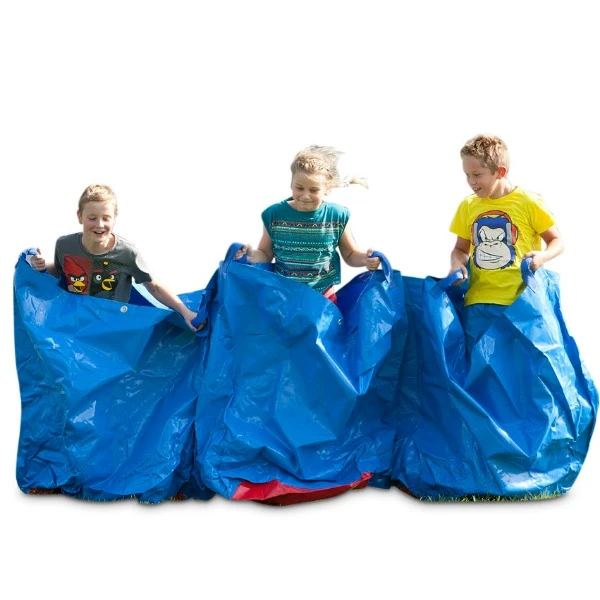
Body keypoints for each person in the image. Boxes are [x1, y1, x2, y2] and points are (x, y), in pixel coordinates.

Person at [30, 184, 203, 332]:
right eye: (92, 218)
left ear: (115, 218)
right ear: (79, 216)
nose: (99, 225)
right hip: (78, 324)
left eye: (106, 218)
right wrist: (40, 266)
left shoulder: (126, 253)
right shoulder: (65, 245)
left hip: (113, 328)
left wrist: (184, 311)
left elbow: (154, 287)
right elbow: (60, 271)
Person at [449, 134, 564, 349]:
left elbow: (557, 241)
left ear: (500, 172)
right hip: (479, 303)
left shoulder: (528, 202)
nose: (471, 181)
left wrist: (542, 256)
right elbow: (460, 249)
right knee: (478, 366)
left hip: (520, 302)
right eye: (467, 175)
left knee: (525, 363)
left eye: (477, 174)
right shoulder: (467, 206)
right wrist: (456, 264)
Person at [234, 145, 381, 302]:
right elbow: (265, 253)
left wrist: (365, 259)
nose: (305, 195)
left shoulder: (336, 216)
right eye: (299, 188)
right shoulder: (274, 215)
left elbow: (350, 254)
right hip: (284, 296)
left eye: (314, 190)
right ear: (291, 183)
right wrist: (249, 255)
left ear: (327, 189)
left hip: (322, 297)